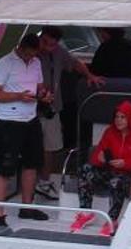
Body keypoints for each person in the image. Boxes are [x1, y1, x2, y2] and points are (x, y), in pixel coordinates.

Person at [0, 31, 49, 224]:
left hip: (30, 119)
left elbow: (39, 86)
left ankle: (26, 207)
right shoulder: (5, 63)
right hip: (8, 122)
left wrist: (44, 94)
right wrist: (18, 96)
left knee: (31, 164)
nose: (31, 58)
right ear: (21, 48)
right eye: (29, 54)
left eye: (34, 55)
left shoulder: (36, 63)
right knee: (4, 168)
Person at [34, 27, 101, 200]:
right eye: (45, 43)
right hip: (28, 109)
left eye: (52, 44)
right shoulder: (30, 55)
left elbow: (75, 63)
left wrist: (89, 75)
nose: (48, 47)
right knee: (33, 147)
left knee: (50, 147)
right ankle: (31, 182)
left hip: (51, 109)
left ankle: (44, 181)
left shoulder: (59, 53)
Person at [80, 100, 131, 219]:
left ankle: (111, 220)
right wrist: (101, 159)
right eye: (117, 117)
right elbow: (95, 158)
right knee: (85, 169)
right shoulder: (109, 132)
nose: (118, 120)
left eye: (123, 117)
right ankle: (85, 212)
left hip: (128, 175)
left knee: (116, 182)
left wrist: (125, 163)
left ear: (130, 118)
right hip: (110, 171)